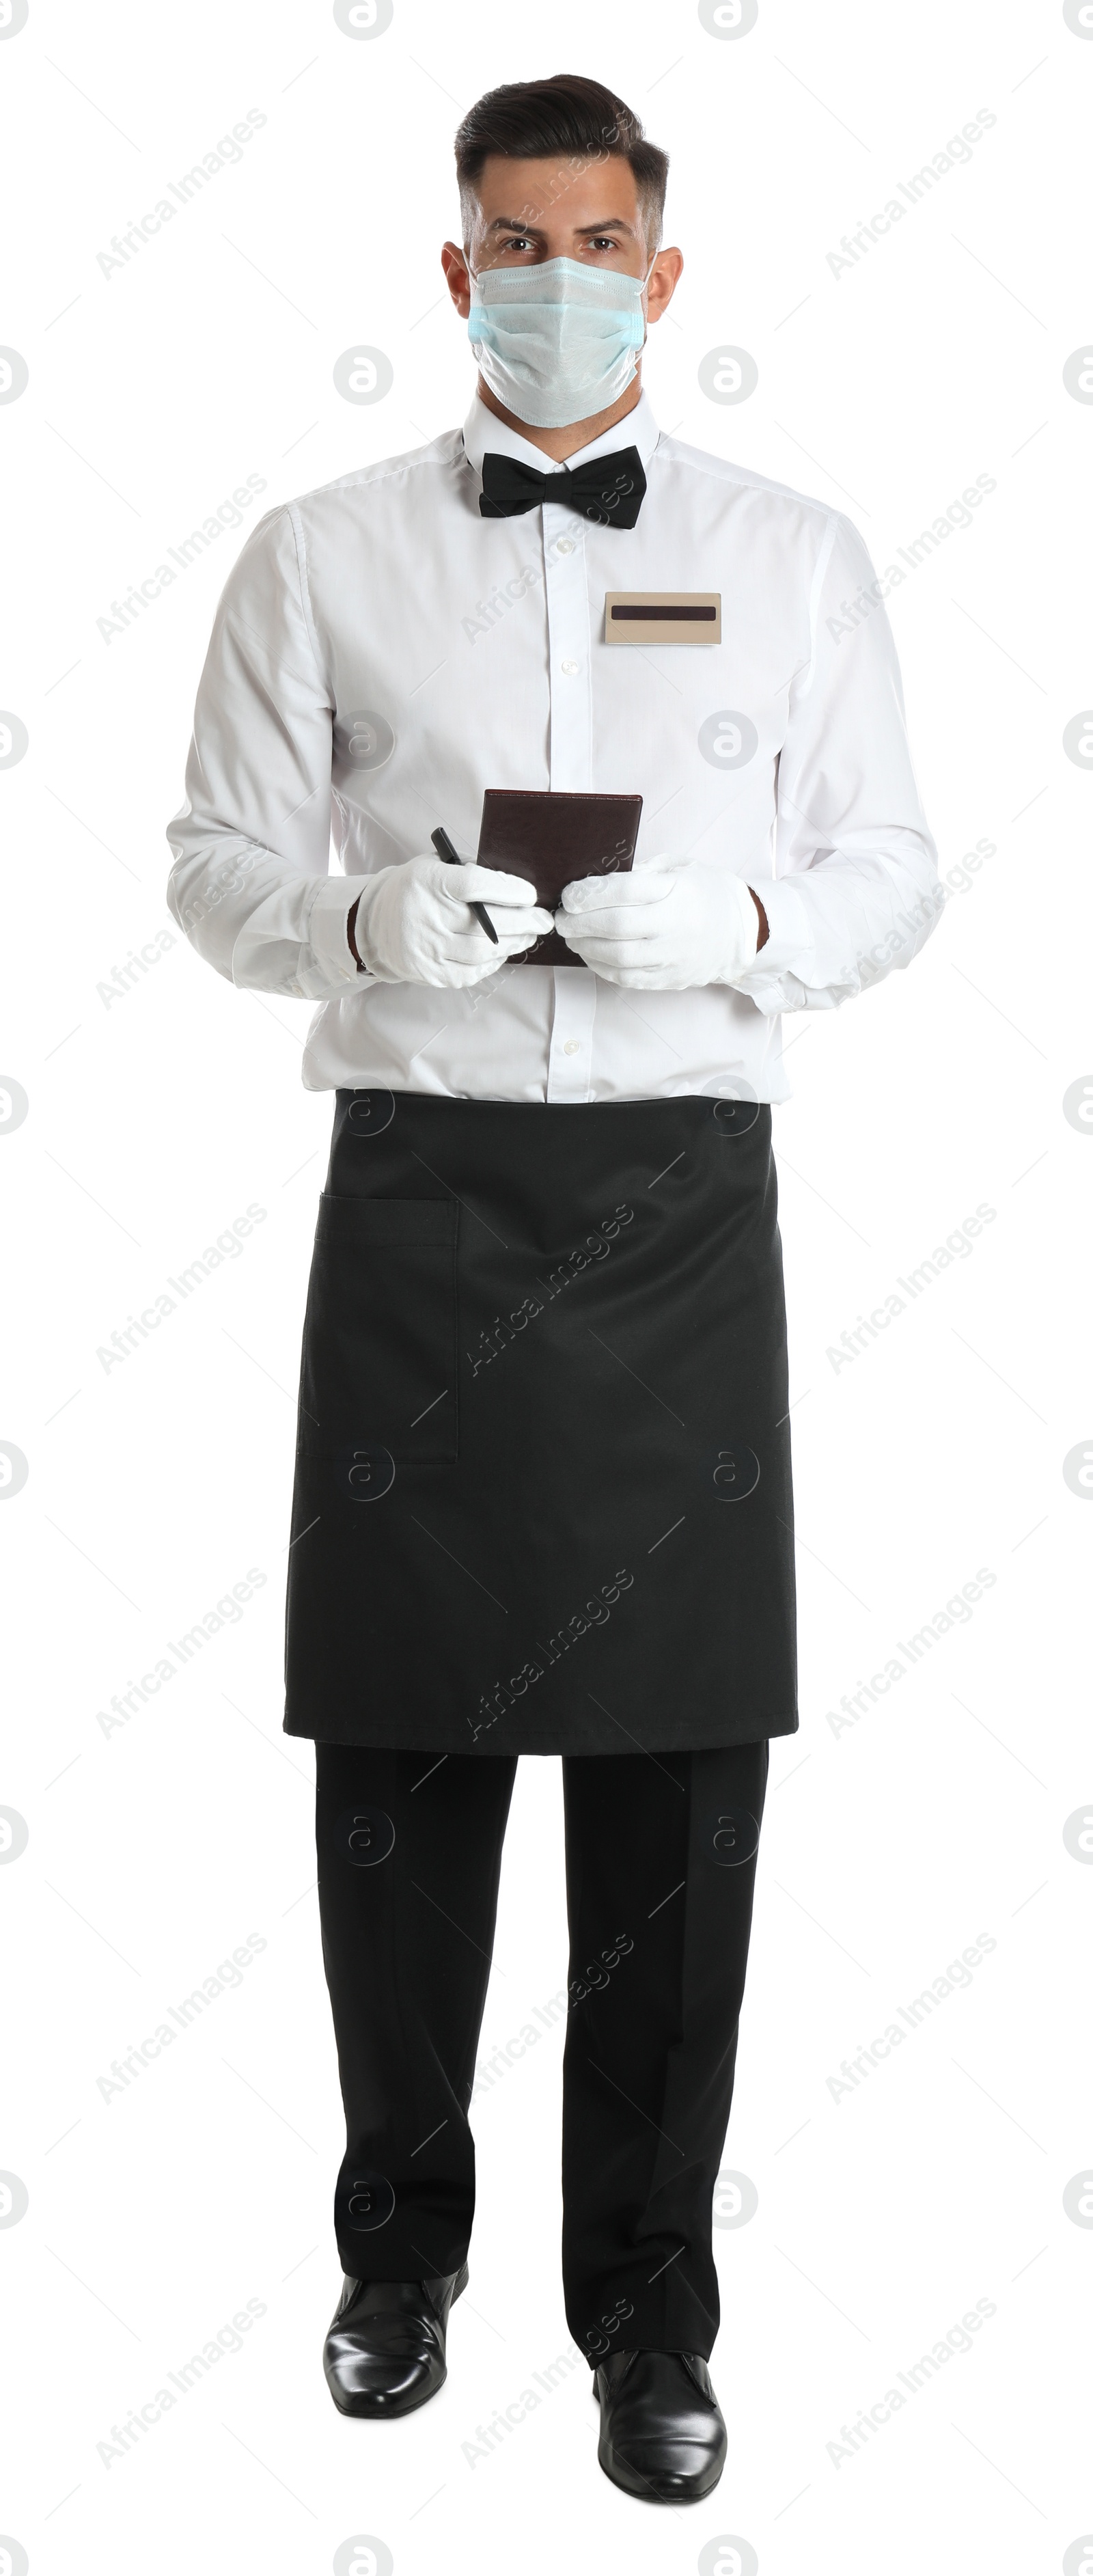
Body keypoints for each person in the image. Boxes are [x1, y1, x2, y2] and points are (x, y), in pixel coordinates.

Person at [166, 71, 940, 2506]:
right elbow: (205, 865)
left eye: (595, 241)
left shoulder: (796, 556)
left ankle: (652, 2315)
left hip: (683, 1215)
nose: (555, 280)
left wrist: (740, 927)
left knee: (675, 1804)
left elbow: (900, 874)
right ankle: (397, 2258)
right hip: (414, 1203)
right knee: (398, 1785)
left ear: (667, 273)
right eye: (514, 244)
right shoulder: (315, 554)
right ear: (453, 270)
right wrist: (352, 920)